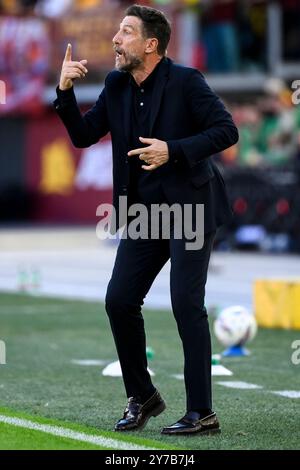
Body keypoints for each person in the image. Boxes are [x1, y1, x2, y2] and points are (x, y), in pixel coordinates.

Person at [54, 4, 238, 435]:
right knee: (119, 300)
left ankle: (202, 413)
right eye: (118, 32)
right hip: (142, 212)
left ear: (151, 44)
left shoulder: (187, 81)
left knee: (185, 304)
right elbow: (84, 136)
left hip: (191, 207)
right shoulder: (116, 85)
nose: (116, 40)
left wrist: (172, 149)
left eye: (126, 32)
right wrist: (64, 92)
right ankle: (144, 397)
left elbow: (226, 131)